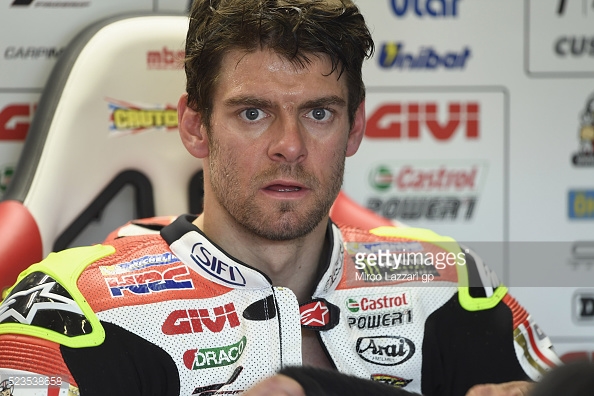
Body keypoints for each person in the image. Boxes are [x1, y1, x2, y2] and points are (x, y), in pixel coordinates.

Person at [0, 0, 560, 395]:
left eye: (319, 113)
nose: (289, 147)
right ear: (194, 126)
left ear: (356, 127)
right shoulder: (69, 309)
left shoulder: (452, 288)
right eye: (253, 113)